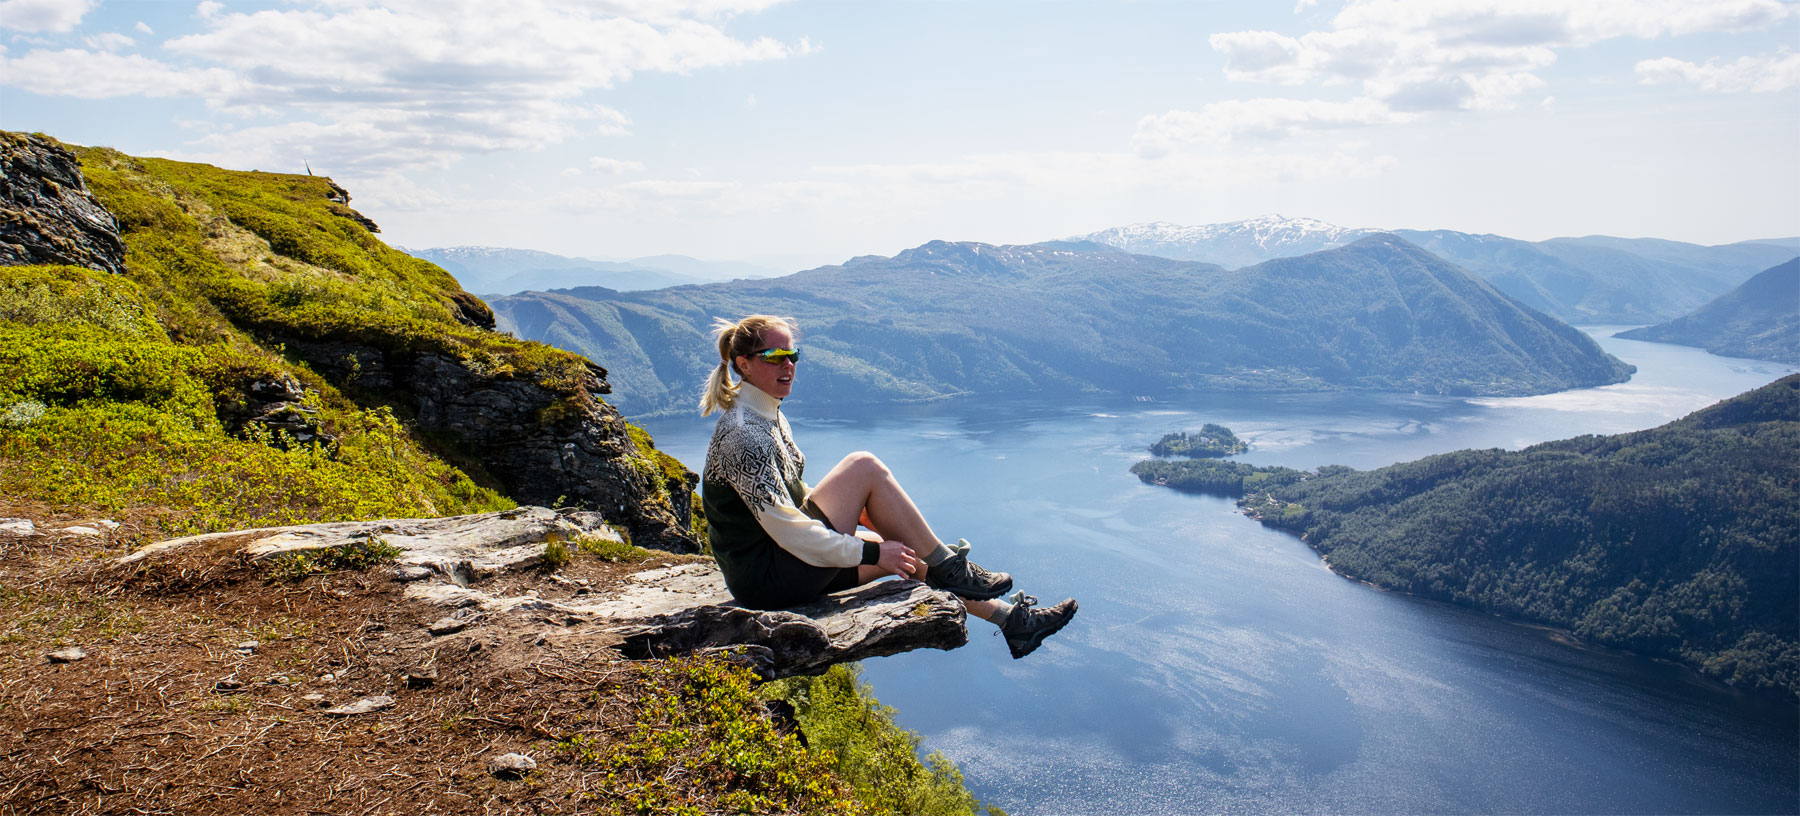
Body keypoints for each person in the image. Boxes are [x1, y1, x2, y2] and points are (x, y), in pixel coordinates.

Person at [698, 314, 1078, 659]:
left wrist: (862, 520)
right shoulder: (744, 434)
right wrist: (866, 552)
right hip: (771, 580)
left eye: (794, 354)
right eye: (775, 355)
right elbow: (791, 533)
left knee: (905, 551)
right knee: (863, 467)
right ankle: (952, 567)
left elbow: (792, 498)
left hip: (781, 570)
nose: (788, 365)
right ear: (744, 364)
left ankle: (1013, 622)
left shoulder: (767, 414)